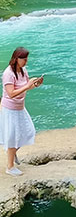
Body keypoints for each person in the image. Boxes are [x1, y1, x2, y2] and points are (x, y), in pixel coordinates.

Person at [0, 47, 43, 176]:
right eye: (24, 59)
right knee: (12, 137)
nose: (26, 61)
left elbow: (25, 88)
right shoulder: (8, 73)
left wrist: (35, 84)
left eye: (26, 59)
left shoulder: (23, 70)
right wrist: (27, 85)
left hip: (20, 107)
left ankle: (12, 154)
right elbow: (11, 93)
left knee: (29, 131)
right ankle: (10, 167)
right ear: (16, 59)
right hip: (10, 109)